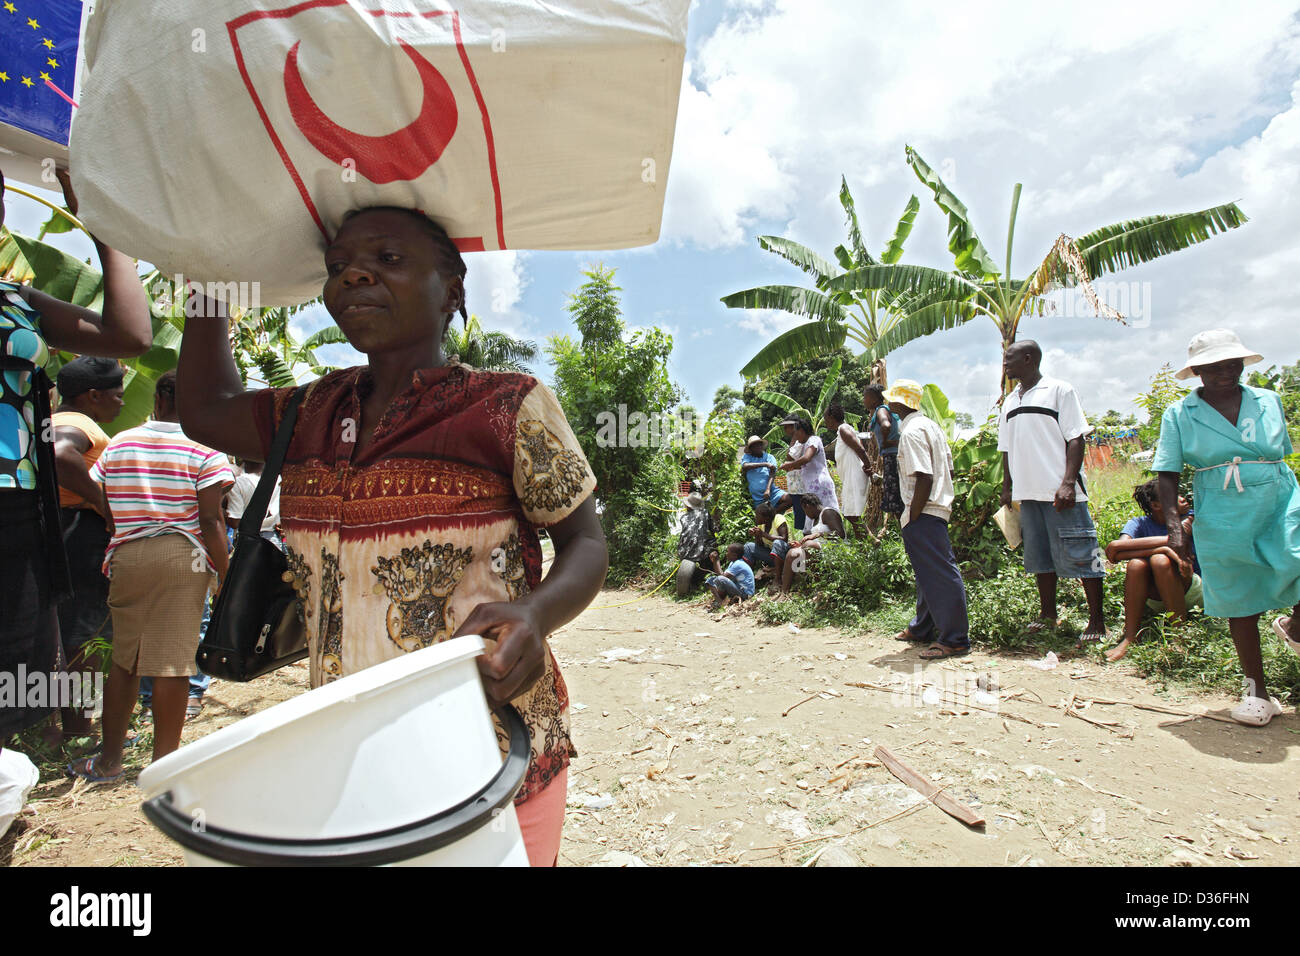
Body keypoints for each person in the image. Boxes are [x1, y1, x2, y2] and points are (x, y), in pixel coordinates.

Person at [175, 206, 608, 866]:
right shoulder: (308, 412)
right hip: (356, 758)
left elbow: (586, 543)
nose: (354, 276)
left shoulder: (506, 406)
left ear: (452, 291)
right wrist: (207, 273)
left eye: (390, 260)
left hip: (495, 747)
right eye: (337, 266)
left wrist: (534, 614)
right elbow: (203, 409)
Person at [0, 167, 151, 754]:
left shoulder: (15, 298)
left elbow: (130, 334)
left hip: (18, 506)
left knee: (16, 673)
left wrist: (106, 228)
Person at [66, 371, 232, 783]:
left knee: (126, 661)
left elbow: (101, 494)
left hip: (126, 556)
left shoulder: (121, 442)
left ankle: (108, 762)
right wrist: (226, 573)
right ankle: (163, 769)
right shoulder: (206, 448)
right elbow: (211, 519)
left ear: (157, 397)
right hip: (182, 557)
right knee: (173, 664)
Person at [1154, 329, 1300, 726]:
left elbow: (1279, 454)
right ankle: (1258, 693)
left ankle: (1293, 623)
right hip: (1221, 506)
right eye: (1215, 366)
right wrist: (1175, 526)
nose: (1226, 371)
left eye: (1232, 363)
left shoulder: (1267, 400)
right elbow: (1167, 472)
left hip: (1278, 495)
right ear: (1198, 370)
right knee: (1240, 598)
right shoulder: (1180, 414)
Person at [998, 340, 1107, 644]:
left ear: (1029, 359)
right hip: (1027, 494)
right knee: (1039, 557)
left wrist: (1068, 482)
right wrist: (1008, 488)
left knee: (1084, 554)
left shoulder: (1060, 390)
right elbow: (1005, 449)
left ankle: (1097, 620)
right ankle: (1048, 615)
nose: (1005, 366)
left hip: (1060, 493)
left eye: (1010, 360)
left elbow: (1076, 438)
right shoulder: (1009, 402)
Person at [51, 357, 125, 746]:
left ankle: (50, 727)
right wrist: (101, 503)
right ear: (93, 396)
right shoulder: (76, 424)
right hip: (80, 534)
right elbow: (62, 455)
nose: (122, 404)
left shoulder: (47, 418)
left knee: (60, 631)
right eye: (117, 395)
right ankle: (80, 731)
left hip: (61, 531)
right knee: (84, 634)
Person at [886, 380, 970, 659]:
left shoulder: (910, 432)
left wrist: (913, 515)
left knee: (940, 574)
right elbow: (948, 468)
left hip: (924, 510)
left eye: (891, 401)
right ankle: (922, 627)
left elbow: (924, 476)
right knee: (927, 574)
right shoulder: (931, 426)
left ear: (899, 404)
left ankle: (955, 639)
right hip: (936, 506)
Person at [1103, 479, 1202, 663]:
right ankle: (1130, 636)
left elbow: (1118, 549)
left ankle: (1179, 635)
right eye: (1173, 496)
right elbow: (1113, 551)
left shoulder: (1190, 517)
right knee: (1137, 565)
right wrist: (1164, 546)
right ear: (1156, 505)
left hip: (1191, 592)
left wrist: (1160, 549)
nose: (1182, 498)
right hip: (1155, 597)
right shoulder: (1139, 524)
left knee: (1159, 561)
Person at [776, 492, 844, 596]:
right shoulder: (815, 519)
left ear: (807, 506)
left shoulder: (828, 513)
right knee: (791, 553)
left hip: (833, 551)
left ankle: (816, 584)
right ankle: (784, 593)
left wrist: (816, 535)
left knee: (809, 545)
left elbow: (840, 534)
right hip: (817, 549)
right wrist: (800, 544)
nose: (806, 514)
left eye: (804, 511)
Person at [864, 385, 904, 537]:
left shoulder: (881, 410)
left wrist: (887, 441)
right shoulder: (888, 410)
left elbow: (885, 425)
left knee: (896, 502)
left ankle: (908, 537)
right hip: (895, 456)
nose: (864, 400)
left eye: (866, 397)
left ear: (875, 398)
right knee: (899, 499)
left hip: (891, 458)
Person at [824, 402, 870, 535]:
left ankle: (869, 542)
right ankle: (867, 542)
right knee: (851, 513)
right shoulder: (843, 431)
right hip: (851, 477)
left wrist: (869, 468)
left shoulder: (844, 429)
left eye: (826, 418)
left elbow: (860, 449)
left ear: (832, 417)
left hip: (854, 475)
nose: (826, 422)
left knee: (851, 514)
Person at [781, 417, 839, 513]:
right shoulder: (804, 444)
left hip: (819, 484)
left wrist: (789, 465)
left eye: (796, 433)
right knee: (815, 517)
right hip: (810, 486)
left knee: (826, 514)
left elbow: (806, 458)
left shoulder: (814, 440)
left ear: (802, 431)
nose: (795, 436)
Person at [225, 457, 282, 547]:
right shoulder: (278, 479)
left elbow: (235, 521)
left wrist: (218, 509)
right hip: (272, 539)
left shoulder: (238, 483)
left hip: (248, 541)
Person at [675, 491, 719, 596]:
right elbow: (715, 531)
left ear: (688, 505)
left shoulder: (683, 517)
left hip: (683, 551)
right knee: (714, 545)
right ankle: (710, 574)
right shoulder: (706, 513)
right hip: (701, 552)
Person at [740, 435, 792, 514]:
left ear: (762, 445)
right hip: (757, 497)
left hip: (772, 491)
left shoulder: (770, 457)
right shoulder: (747, 457)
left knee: (790, 499)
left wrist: (767, 489)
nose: (757, 447)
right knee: (761, 519)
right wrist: (765, 464)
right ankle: (768, 516)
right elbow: (745, 466)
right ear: (750, 449)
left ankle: (773, 513)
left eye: (759, 444)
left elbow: (772, 473)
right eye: (754, 445)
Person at [705, 542, 755, 610]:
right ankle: (719, 601)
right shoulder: (733, 563)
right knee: (711, 580)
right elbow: (721, 576)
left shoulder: (738, 564)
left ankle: (719, 602)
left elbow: (722, 576)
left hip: (745, 594)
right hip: (739, 590)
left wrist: (716, 560)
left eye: (728, 552)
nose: (726, 554)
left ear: (734, 555)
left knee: (720, 579)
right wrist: (714, 561)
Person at [745, 501, 790, 575]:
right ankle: (748, 576)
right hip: (772, 557)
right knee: (748, 546)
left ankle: (778, 578)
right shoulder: (761, 526)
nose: (755, 517)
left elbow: (784, 539)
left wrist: (763, 534)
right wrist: (757, 535)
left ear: (766, 517)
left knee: (777, 542)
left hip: (786, 555)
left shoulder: (778, 519)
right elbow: (760, 546)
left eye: (757, 515)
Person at [781, 416, 807, 531]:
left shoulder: (800, 441)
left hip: (801, 485)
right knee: (799, 513)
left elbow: (790, 456)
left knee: (803, 514)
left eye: (787, 427)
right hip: (795, 485)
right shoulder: (796, 440)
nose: (785, 430)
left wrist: (794, 437)